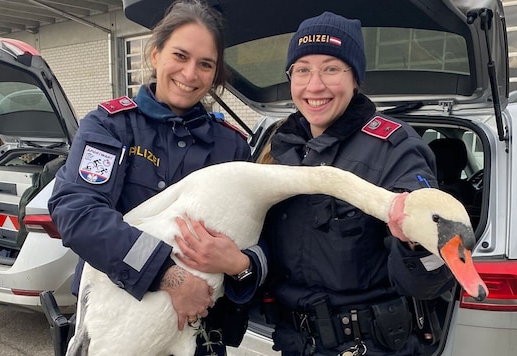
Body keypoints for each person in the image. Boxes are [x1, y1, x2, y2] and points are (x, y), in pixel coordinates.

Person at [47, 1, 262, 354]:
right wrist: (168, 274)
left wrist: (242, 265)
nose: (190, 74)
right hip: (117, 331)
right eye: (180, 55)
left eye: (205, 64)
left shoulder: (232, 147)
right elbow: (78, 212)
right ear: (155, 54)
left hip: (198, 337)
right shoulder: (110, 127)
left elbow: (258, 241)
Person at [256, 12, 456, 356]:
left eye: (331, 68)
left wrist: (415, 245)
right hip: (293, 342)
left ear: (356, 79)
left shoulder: (395, 148)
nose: (314, 85)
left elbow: (428, 283)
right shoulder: (280, 148)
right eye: (302, 69)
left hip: (369, 344)